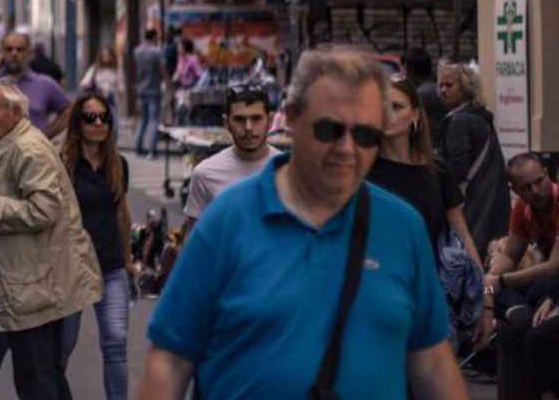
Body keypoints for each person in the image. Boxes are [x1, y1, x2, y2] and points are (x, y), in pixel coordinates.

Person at [139, 49, 464, 400]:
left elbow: (431, 361)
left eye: (366, 135)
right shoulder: (226, 222)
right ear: (292, 119)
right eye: (329, 129)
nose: (347, 148)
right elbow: (170, 362)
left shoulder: (402, 227)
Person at [0, 80, 100, 400]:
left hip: (37, 284)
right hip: (34, 280)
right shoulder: (16, 144)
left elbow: (44, 209)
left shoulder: (28, 148)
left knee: (36, 378)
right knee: (45, 376)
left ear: (14, 112)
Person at [60, 92, 135, 400]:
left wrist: (129, 258)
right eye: (90, 117)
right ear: (78, 124)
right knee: (62, 347)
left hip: (111, 265)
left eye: (104, 117)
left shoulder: (118, 164)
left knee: (116, 341)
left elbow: (122, 212)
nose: (99, 123)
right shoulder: (64, 164)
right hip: (73, 268)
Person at [368, 76, 481, 263]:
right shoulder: (365, 172)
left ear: (415, 115)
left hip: (433, 280)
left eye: (396, 107)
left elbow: (462, 236)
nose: (387, 115)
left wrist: (484, 288)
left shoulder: (437, 170)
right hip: (385, 276)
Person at [485, 152, 559, 397]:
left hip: (552, 281)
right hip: (548, 285)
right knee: (504, 304)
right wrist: (490, 280)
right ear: (515, 189)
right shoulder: (521, 208)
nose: (535, 191)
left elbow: (554, 266)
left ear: (548, 175)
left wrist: (502, 280)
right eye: (526, 187)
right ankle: (517, 309)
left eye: (539, 181)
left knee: (533, 329)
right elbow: (511, 255)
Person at [182, 83, 275, 237]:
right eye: (239, 119)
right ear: (226, 123)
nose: (248, 128)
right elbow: (193, 242)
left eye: (256, 118)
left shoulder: (288, 170)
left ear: (270, 120)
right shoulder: (205, 174)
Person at [440, 60, 509, 257]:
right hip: (492, 197)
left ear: (465, 87)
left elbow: (457, 169)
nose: (443, 90)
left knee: (470, 255)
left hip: (473, 200)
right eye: (441, 85)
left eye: (449, 85)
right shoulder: (480, 116)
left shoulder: (459, 121)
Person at [0, 32, 70, 142]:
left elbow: (69, 111)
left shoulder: (45, 84)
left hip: (34, 156)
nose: (14, 53)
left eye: (20, 49)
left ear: (29, 53)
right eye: (9, 49)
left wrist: (45, 135)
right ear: (2, 52)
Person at [404, 48, 447, 150]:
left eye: (405, 70)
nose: (405, 75)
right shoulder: (435, 89)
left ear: (411, 70)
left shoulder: (421, 95)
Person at [133, 30, 167, 157]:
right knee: (153, 120)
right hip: (154, 89)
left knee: (143, 119)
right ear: (154, 37)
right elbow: (162, 70)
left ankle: (138, 147)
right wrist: (166, 83)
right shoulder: (157, 51)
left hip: (141, 89)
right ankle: (152, 149)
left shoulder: (137, 51)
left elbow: (135, 70)